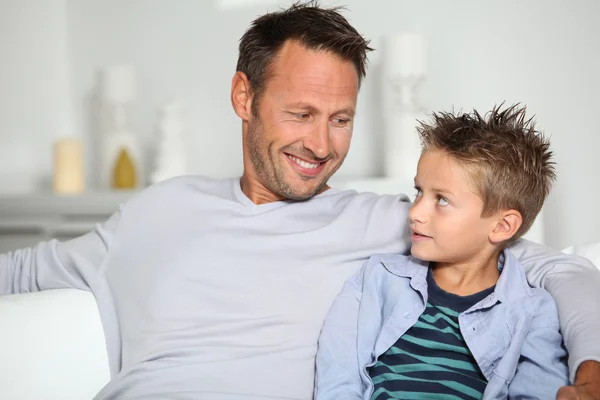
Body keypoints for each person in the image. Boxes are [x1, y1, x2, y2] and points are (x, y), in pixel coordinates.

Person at [1, 2, 600, 399]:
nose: (320, 144)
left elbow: (557, 266)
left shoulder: (388, 225)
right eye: (300, 114)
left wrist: (591, 367)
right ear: (244, 96)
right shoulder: (157, 211)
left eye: (340, 119)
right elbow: (22, 270)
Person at [315, 105, 569, 399]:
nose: (416, 212)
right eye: (419, 191)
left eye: (442, 200)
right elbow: (338, 376)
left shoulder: (534, 312)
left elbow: (539, 391)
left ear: (502, 226)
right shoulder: (377, 278)